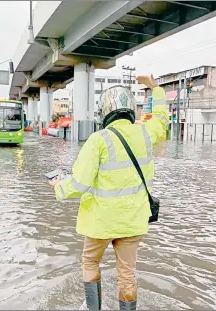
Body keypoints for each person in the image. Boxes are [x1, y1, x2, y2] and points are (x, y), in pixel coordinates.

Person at [49, 75, 168, 310]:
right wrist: (156, 88)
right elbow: (162, 120)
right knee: (127, 273)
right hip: (133, 222)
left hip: (100, 223)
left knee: (91, 262)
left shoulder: (98, 140)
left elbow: (80, 184)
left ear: (105, 111)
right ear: (130, 109)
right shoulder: (146, 134)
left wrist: (59, 188)